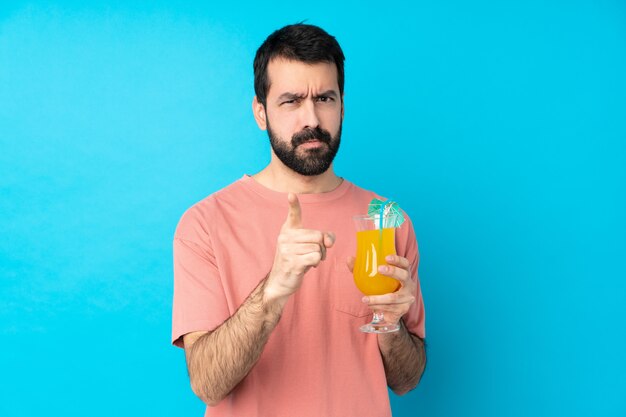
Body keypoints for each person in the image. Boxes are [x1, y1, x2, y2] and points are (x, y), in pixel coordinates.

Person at [172, 23, 426, 417]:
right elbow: (207, 383)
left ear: (342, 106)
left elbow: (406, 380)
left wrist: (391, 324)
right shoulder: (205, 222)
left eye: (324, 97)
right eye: (291, 101)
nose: (312, 118)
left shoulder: (387, 218)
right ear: (261, 112)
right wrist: (272, 292)